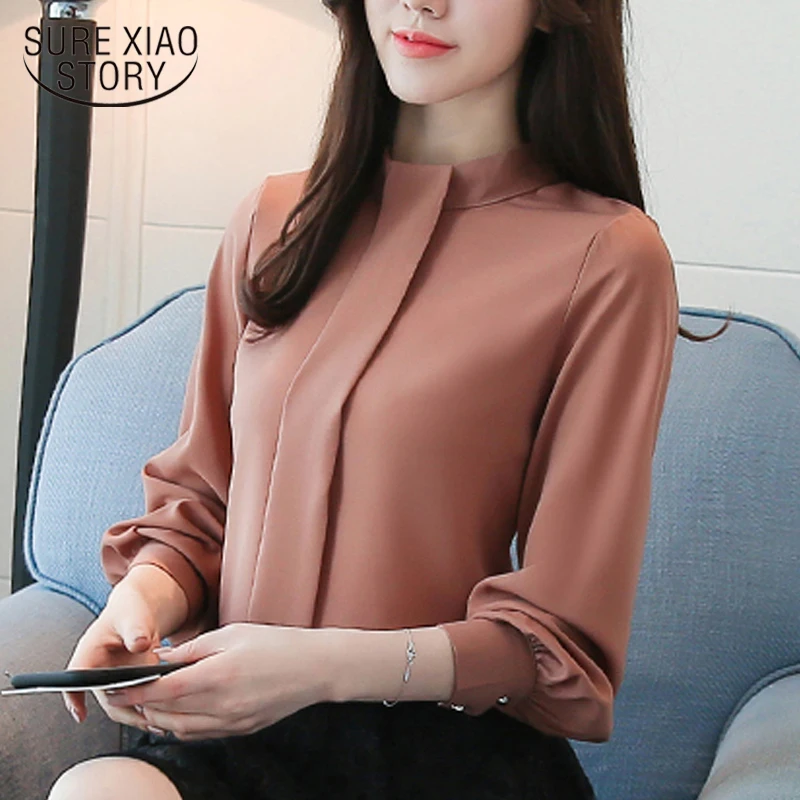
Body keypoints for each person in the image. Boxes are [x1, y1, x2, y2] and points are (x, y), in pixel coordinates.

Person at [46, 0, 696, 797]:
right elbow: (201, 505)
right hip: (237, 739)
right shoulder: (273, 221)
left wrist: (316, 667)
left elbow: (558, 642)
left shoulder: (609, 259)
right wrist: (142, 601)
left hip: (447, 753)